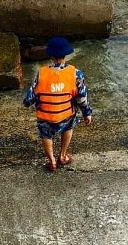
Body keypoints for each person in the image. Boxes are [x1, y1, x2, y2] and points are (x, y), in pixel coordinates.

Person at [23, 36, 92, 172]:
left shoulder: (41, 73)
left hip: (45, 115)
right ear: (65, 54)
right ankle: (62, 156)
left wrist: (27, 103)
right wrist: (87, 113)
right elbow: (81, 97)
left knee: (46, 135)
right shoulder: (75, 73)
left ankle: (52, 162)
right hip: (66, 114)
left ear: (50, 55)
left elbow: (31, 96)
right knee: (68, 127)